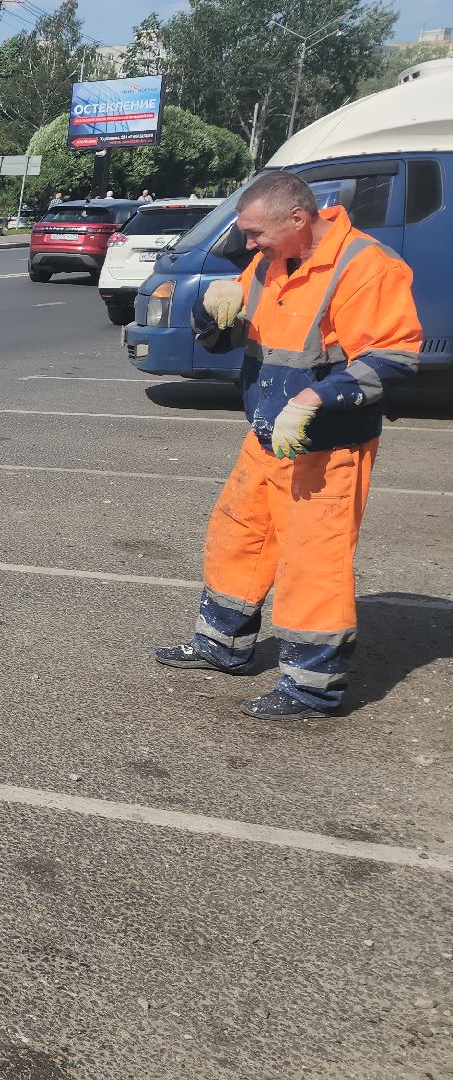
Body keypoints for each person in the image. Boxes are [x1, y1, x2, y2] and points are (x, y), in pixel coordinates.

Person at [154, 171, 422, 721]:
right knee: (239, 536)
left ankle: (311, 687)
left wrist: (316, 400)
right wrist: (212, 306)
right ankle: (222, 646)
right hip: (267, 437)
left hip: (327, 446)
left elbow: (393, 359)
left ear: (298, 218)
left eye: (256, 235)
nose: (249, 246)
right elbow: (223, 337)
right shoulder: (273, 263)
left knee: (313, 563)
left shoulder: (367, 267)